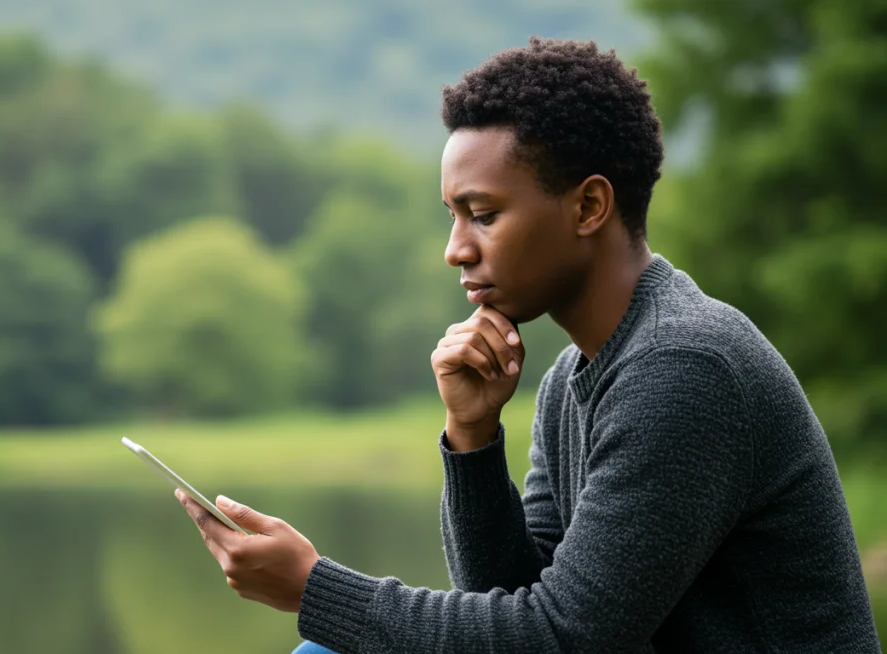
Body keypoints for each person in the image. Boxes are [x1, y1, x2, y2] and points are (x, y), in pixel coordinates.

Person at [174, 37, 881, 652]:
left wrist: (316, 590)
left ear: (588, 207)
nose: (456, 251)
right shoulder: (577, 376)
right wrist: (473, 438)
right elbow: (510, 599)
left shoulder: (686, 368)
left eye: (483, 216)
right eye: (453, 217)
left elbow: (560, 637)